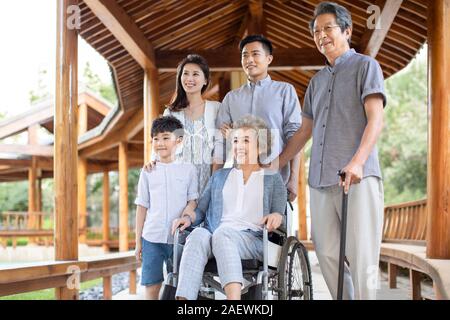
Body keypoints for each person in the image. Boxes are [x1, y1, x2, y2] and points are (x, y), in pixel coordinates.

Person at [275, 2, 386, 300]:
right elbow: (305, 131)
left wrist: (358, 161)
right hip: (321, 181)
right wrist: (277, 163)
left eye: (327, 28)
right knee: (327, 255)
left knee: (363, 259)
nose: (321, 35)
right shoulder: (316, 81)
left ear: (346, 31)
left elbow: (376, 118)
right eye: (315, 31)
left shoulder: (366, 67)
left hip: (358, 178)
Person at [172, 115, 287, 300]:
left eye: (246, 140)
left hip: (253, 239)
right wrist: (187, 219)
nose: (239, 146)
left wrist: (276, 216)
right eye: (235, 140)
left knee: (222, 234)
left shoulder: (272, 178)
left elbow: (280, 214)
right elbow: (201, 210)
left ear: (261, 146)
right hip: (215, 234)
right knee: (197, 235)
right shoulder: (219, 177)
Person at [214, 34, 302, 201]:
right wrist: (216, 181)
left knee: (274, 226)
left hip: (276, 180)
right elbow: (221, 142)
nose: (249, 60)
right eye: (244, 55)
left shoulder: (285, 91)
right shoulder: (231, 98)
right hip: (239, 183)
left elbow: (295, 136)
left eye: (255, 54)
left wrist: (293, 179)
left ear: (269, 58)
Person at [134, 116, 199, 300]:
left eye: (165, 137)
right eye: (155, 139)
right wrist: (138, 241)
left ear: (178, 140)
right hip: (151, 237)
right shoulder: (147, 171)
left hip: (180, 238)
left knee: (178, 287)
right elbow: (141, 207)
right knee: (151, 284)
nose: (159, 143)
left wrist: (187, 214)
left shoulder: (188, 170)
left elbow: (193, 200)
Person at [145, 54, 220, 196]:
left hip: (208, 184)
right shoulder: (172, 113)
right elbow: (162, 142)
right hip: (178, 184)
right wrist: (152, 161)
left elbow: (222, 144)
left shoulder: (216, 109)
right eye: (185, 74)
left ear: (205, 80)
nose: (189, 78)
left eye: (195, 74)